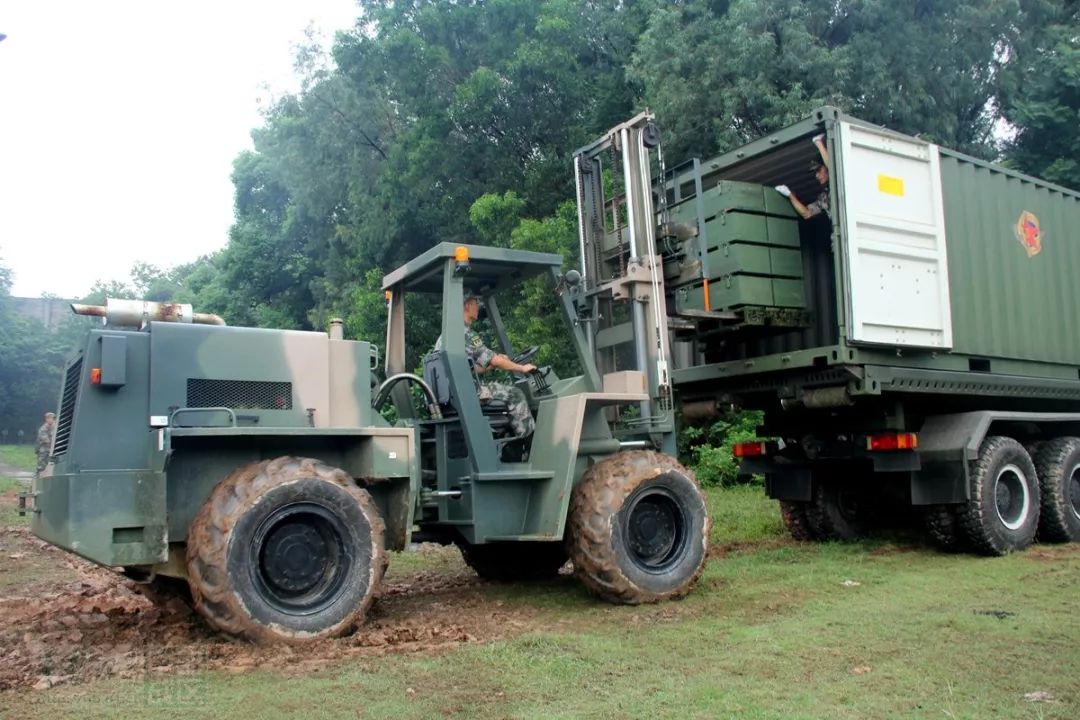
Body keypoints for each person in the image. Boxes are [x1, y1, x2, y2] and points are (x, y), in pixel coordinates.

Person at [435, 293, 537, 439]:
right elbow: (494, 359)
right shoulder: (466, 334)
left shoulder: (447, 335)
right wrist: (522, 368)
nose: (478, 307)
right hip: (468, 393)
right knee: (515, 394)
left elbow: (470, 368)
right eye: (476, 303)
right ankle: (528, 441)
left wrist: (491, 366)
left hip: (449, 395)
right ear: (467, 305)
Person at [775, 134, 830, 220]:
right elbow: (807, 213)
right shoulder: (824, 197)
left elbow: (832, 167)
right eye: (815, 172)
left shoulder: (842, 180)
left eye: (819, 170)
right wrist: (790, 195)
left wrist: (818, 143)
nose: (816, 175)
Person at [36, 412, 55, 478]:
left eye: (51, 418)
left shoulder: (56, 427)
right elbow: (45, 439)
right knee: (42, 460)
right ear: (46, 419)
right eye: (48, 418)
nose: (50, 420)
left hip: (54, 447)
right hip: (44, 446)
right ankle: (39, 474)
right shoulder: (43, 428)